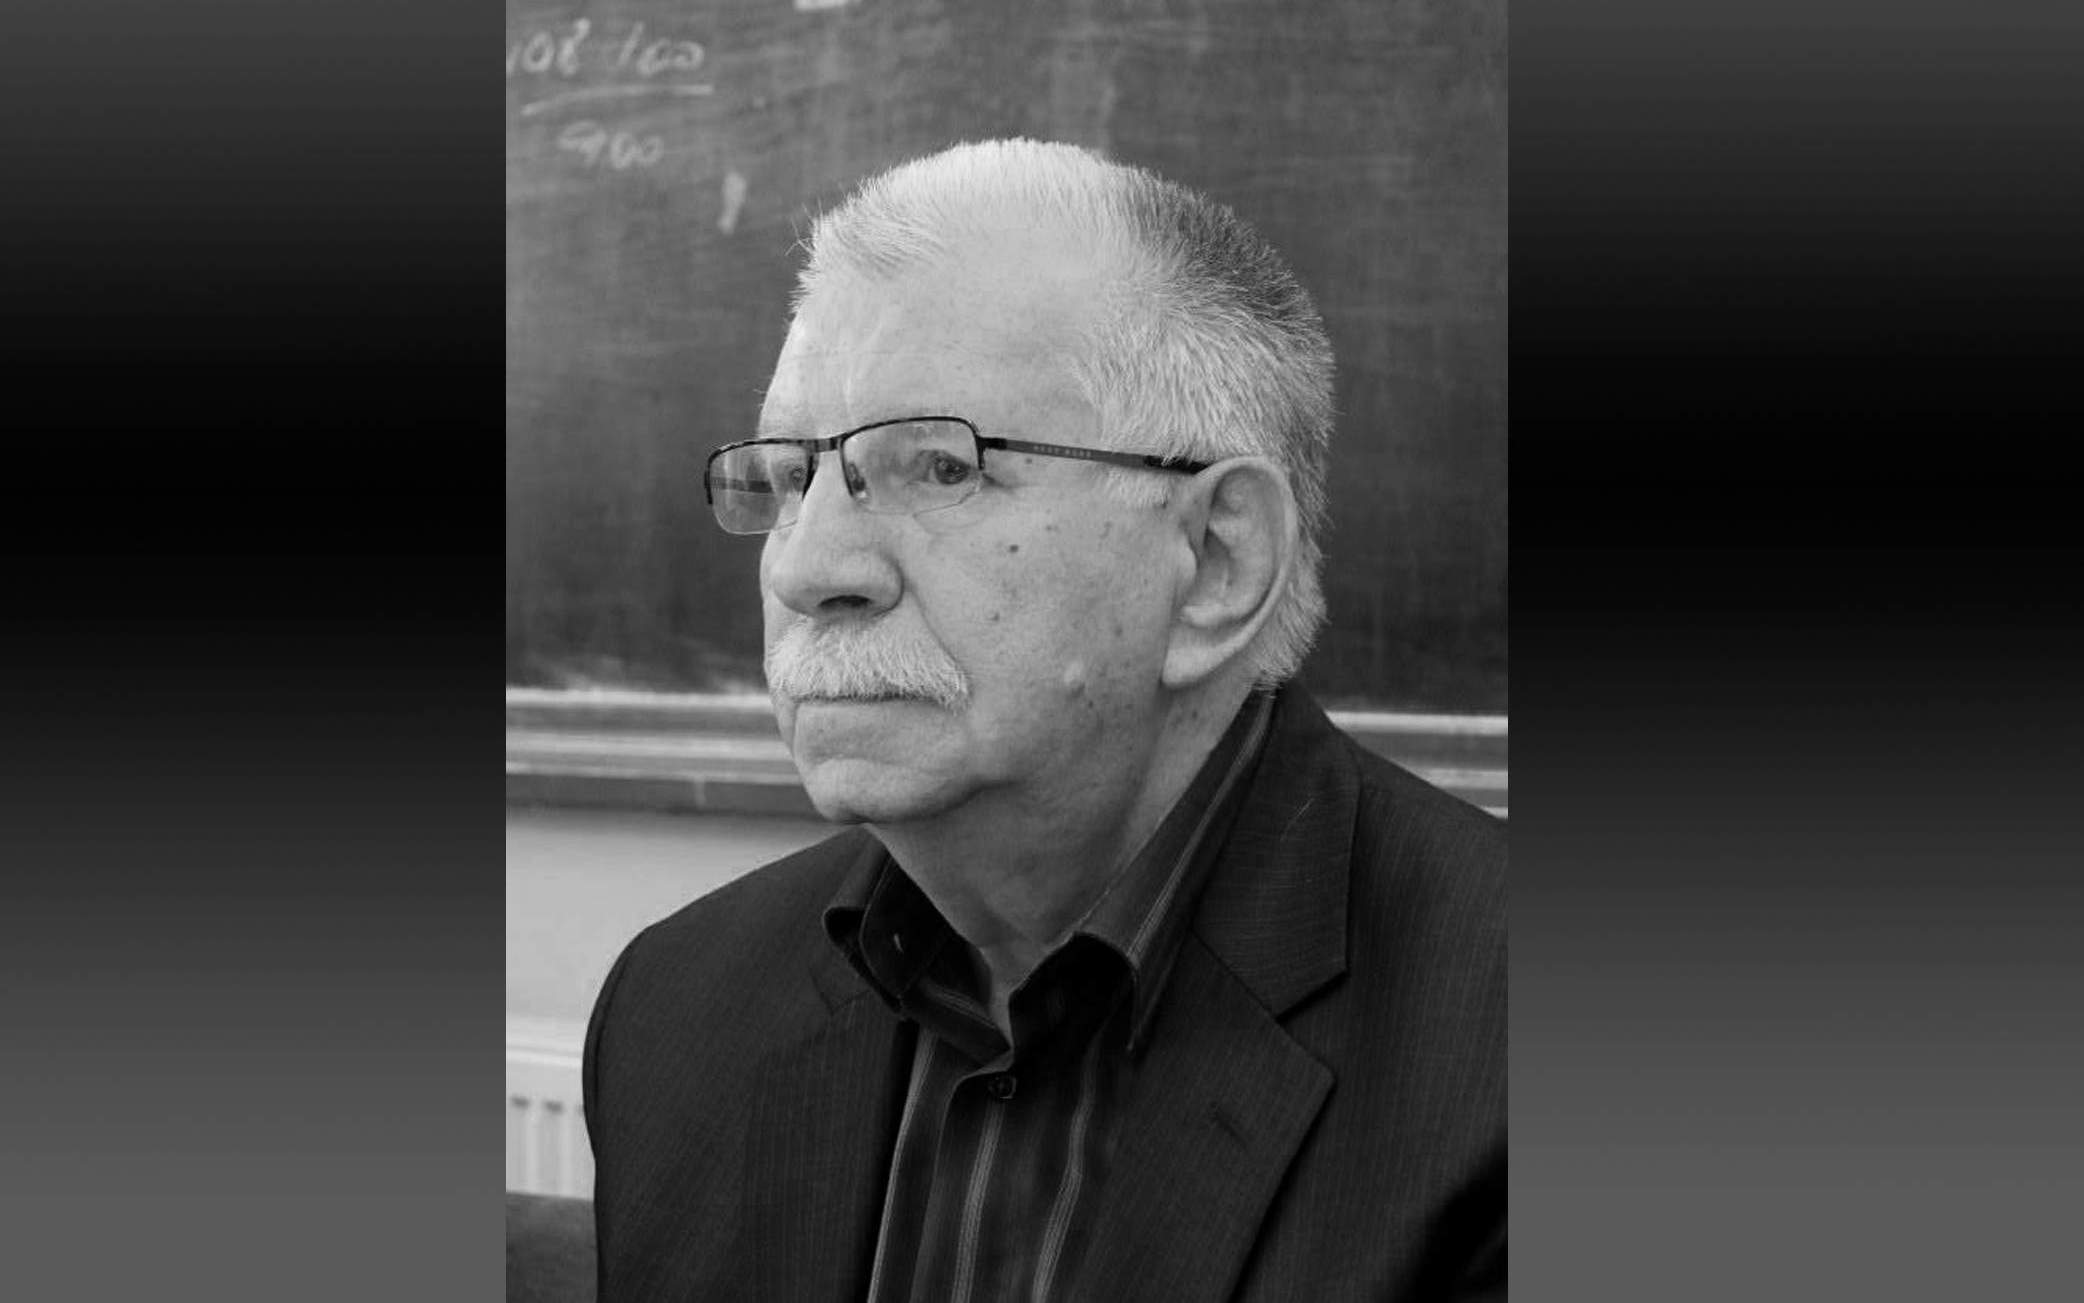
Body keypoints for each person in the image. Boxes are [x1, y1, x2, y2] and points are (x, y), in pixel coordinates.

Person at [581, 138, 1505, 1302]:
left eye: (940, 468)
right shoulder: (676, 1011)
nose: (808, 570)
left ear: (1216, 562)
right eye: (790, 476)